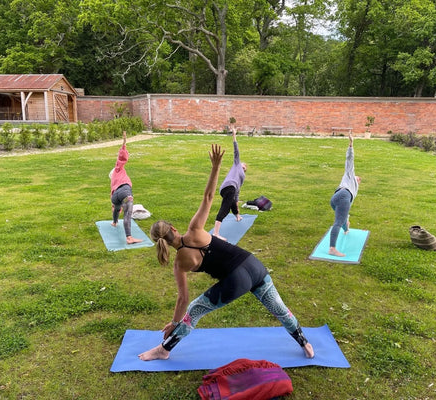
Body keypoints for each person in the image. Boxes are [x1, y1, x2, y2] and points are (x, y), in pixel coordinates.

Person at [139, 144, 314, 361]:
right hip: (254, 265)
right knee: (279, 309)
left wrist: (175, 323)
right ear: (173, 229)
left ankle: (164, 349)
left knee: (194, 310)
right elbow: (209, 197)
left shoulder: (179, 263)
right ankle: (304, 342)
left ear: (160, 242)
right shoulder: (194, 229)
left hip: (236, 280)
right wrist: (216, 166)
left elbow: (183, 299)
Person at [212, 124, 247, 241]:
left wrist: (236, 205)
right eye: (243, 164)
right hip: (229, 186)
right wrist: (234, 135)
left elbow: (237, 193)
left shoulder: (242, 176)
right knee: (225, 208)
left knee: (232, 202)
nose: (244, 165)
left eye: (245, 166)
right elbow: (236, 151)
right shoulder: (237, 164)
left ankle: (237, 216)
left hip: (228, 189)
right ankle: (216, 233)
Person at [329, 133, 361, 257]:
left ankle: (346, 228)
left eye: (359, 180)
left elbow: (347, 207)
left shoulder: (354, 190)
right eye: (358, 177)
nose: (359, 179)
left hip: (335, 198)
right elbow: (349, 160)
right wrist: (351, 144)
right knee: (338, 221)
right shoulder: (349, 175)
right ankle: (332, 249)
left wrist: (346, 221)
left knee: (342, 218)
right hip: (342, 195)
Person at [109, 131, 142, 244]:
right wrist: (124, 144)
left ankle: (114, 222)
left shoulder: (113, 180)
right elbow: (121, 159)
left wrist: (116, 207)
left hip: (115, 196)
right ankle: (129, 238)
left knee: (118, 208)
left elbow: (114, 202)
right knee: (128, 213)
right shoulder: (118, 170)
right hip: (125, 191)